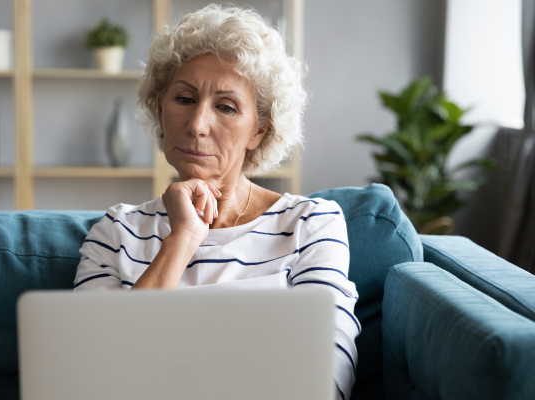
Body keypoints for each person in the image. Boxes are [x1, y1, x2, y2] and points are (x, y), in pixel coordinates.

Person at [75, 5, 359, 399]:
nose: (196, 125)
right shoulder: (115, 232)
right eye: (184, 99)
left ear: (259, 130)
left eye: (225, 107)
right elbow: (90, 374)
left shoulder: (311, 225)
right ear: (161, 110)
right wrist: (183, 239)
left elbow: (327, 378)